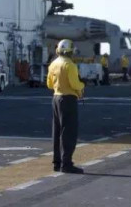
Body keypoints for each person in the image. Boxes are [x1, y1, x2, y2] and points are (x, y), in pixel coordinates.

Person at [46, 39, 85, 174]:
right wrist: (82, 85)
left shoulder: (53, 64)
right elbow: (75, 84)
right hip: (68, 99)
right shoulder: (70, 65)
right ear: (70, 51)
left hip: (56, 98)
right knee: (68, 132)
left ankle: (57, 163)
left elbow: (49, 85)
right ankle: (66, 163)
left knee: (57, 131)